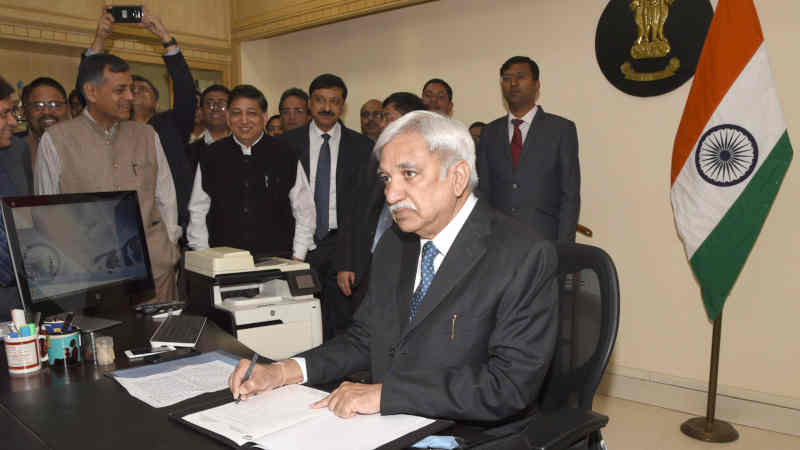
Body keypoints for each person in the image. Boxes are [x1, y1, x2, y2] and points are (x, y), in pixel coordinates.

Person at [229, 111, 559, 425]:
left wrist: (387, 395)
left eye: (409, 174)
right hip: (392, 422)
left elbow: (508, 386)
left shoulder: (523, 256)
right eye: (386, 178)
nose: (391, 193)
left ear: (457, 177)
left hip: (470, 434)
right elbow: (365, 338)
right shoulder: (395, 244)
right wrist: (283, 371)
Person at [34, 53, 180, 303]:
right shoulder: (56, 140)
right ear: (91, 92)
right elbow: (47, 213)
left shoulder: (147, 135)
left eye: (131, 89)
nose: (130, 98)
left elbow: (166, 198)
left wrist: (168, 248)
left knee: (163, 340)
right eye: (120, 90)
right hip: (91, 278)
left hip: (155, 272)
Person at [87, 6, 198, 235]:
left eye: (141, 89)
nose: (133, 92)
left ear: (156, 101)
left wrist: (165, 37)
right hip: (122, 229)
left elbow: (186, 90)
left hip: (174, 228)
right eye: (126, 89)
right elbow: (88, 85)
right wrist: (100, 39)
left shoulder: (171, 125)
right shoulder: (108, 130)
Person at [281, 74, 373, 340]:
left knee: (341, 322)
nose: (326, 107)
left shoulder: (362, 147)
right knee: (298, 320)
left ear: (342, 106)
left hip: (341, 245)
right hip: (299, 246)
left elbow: (363, 209)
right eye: (320, 100)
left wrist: (351, 258)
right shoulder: (286, 144)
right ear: (310, 103)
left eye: (334, 101)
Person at [186, 85, 314, 259]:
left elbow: (304, 210)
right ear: (229, 118)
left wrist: (298, 255)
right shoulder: (211, 155)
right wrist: (204, 255)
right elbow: (198, 210)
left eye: (251, 113)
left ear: (264, 117)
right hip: (225, 260)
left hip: (278, 258)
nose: (244, 120)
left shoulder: (285, 154)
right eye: (237, 113)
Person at [336, 91, 426, 308]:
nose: (380, 122)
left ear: (409, 121)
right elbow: (352, 212)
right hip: (366, 264)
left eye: (387, 117)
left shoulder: (428, 161)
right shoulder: (373, 157)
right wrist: (346, 263)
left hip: (409, 262)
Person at [477, 56, 580, 243]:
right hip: (498, 243)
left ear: (536, 84)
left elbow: (570, 196)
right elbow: (483, 192)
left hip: (544, 241)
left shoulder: (561, 130)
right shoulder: (489, 132)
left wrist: (564, 248)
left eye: (520, 77)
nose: (513, 83)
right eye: (506, 79)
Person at [0, 75, 32, 320]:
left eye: (12, 112)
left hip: (22, 293)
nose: (13, 122)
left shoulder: (16, 151)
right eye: (3, 114)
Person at [21, 77, 70, 168]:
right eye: (38, 106)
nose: (46, 111)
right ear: (25, 112)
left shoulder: (86, 145)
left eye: (54, 104)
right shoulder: (14, 152)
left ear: (68, 108)